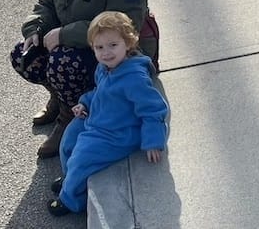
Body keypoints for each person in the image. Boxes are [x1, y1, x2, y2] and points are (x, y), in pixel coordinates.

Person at [10, 0, 149, 159]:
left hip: (111, 56)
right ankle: (60, 97)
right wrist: (36, 28)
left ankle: (68, 118)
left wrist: (65, 34)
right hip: (67, 43)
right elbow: (47, 3)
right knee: (23, 56)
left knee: (63, 62)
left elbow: (124, 28)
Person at [47, 11, 168, 216]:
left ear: (128, 43)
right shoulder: (104, 68)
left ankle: (71, 200)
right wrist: (84, 104)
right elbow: (100, 93)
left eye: (113, 45)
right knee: (68, 141)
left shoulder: (134, 78)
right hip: (97, 119)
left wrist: (153, 141)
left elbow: (153, 108)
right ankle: (73, 180)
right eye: (99, 47)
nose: (106, 53)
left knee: (82, 157)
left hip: (118, 133)